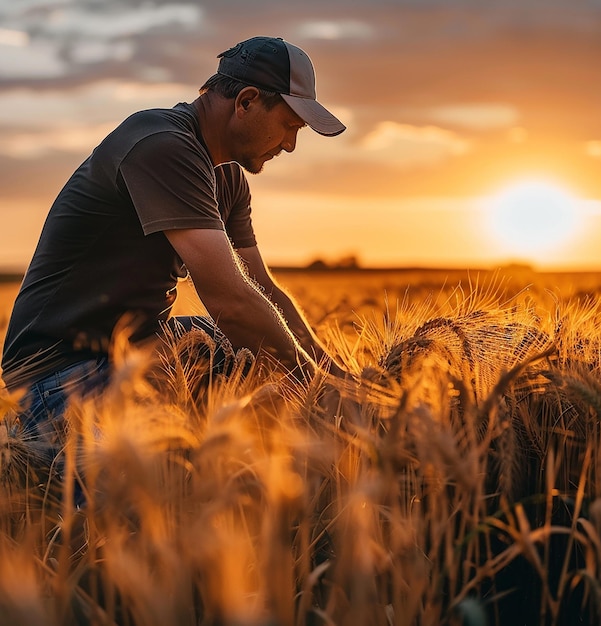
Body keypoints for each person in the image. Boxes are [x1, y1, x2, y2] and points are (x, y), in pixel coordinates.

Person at [0, 36, 349, 444]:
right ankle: (46, 451)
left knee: (238, 352)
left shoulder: (227, 177)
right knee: (139, 498)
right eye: (290, 126)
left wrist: (340, 381)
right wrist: (319, 393)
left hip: (133, 355)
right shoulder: (161, 144)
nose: (290, 145)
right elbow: (231, 301)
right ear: (247, 101)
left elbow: (262, 292)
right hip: (55, 377)